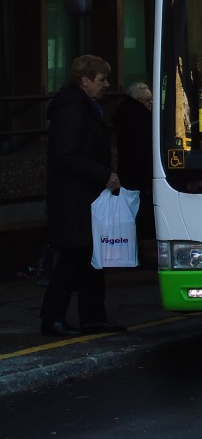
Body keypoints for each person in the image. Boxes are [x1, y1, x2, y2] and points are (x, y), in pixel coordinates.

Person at [39, 55, 126, 336]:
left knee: (88, 258)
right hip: (73, 199)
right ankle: (55, 318)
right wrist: (103, 175)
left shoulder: (81, 107)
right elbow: (67, 155)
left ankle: (90, 318)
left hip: (80, 197)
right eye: (101, 80)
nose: (106, 85)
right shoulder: (73, 111)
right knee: (74, 259)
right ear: (85, 80)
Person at [112, 82, 154, 252]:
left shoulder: (124, 113)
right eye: (148, 100)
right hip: (139, 174)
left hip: (130, 172)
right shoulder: (140, 117)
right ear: (138, 100)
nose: (151, 103)